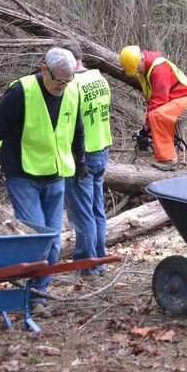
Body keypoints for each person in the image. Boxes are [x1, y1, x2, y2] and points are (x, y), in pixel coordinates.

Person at [0, 47, 86, 316]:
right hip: (23, 175)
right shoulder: (22, 92)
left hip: (55, 177)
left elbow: (77, 129)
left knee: (54, 241)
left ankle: (38, 293)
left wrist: (81, 161)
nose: (63, 86)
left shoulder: (72, 91)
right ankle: (30, 292)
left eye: (69, 80)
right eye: (59, 80)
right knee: (37, 238)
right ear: (44, 69)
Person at [57, 41, 112, 277]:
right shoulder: (99, 79)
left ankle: (86, 264)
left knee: (82, 214)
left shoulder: (72, 86)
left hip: (82, 155)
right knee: (97, 210)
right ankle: (99, 259)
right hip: (102, 148)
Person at [118, 45, 187, 171]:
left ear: (140, 59)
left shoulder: (158, 68)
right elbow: (152, 101)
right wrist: (146, 126)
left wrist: (146, 128)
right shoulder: (144, 71)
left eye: (136, 68)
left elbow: (158, 103)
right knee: (174, 139)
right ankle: (173, 171)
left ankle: (167, 160)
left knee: (157, 116)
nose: (137, 71)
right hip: (175, 101)